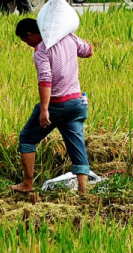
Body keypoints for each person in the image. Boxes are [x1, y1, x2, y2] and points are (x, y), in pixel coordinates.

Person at [11, 18, 94, 194]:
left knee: (27, 138)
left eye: (25, 41)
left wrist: (44, 109)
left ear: (31, 35)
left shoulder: (41, 50)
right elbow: (88, 51)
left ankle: (27, 183)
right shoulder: (69, 37)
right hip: (77, 103)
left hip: (57, 104)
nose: (27, 44)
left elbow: (45, 79)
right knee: (76, 145)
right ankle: (83, 190)